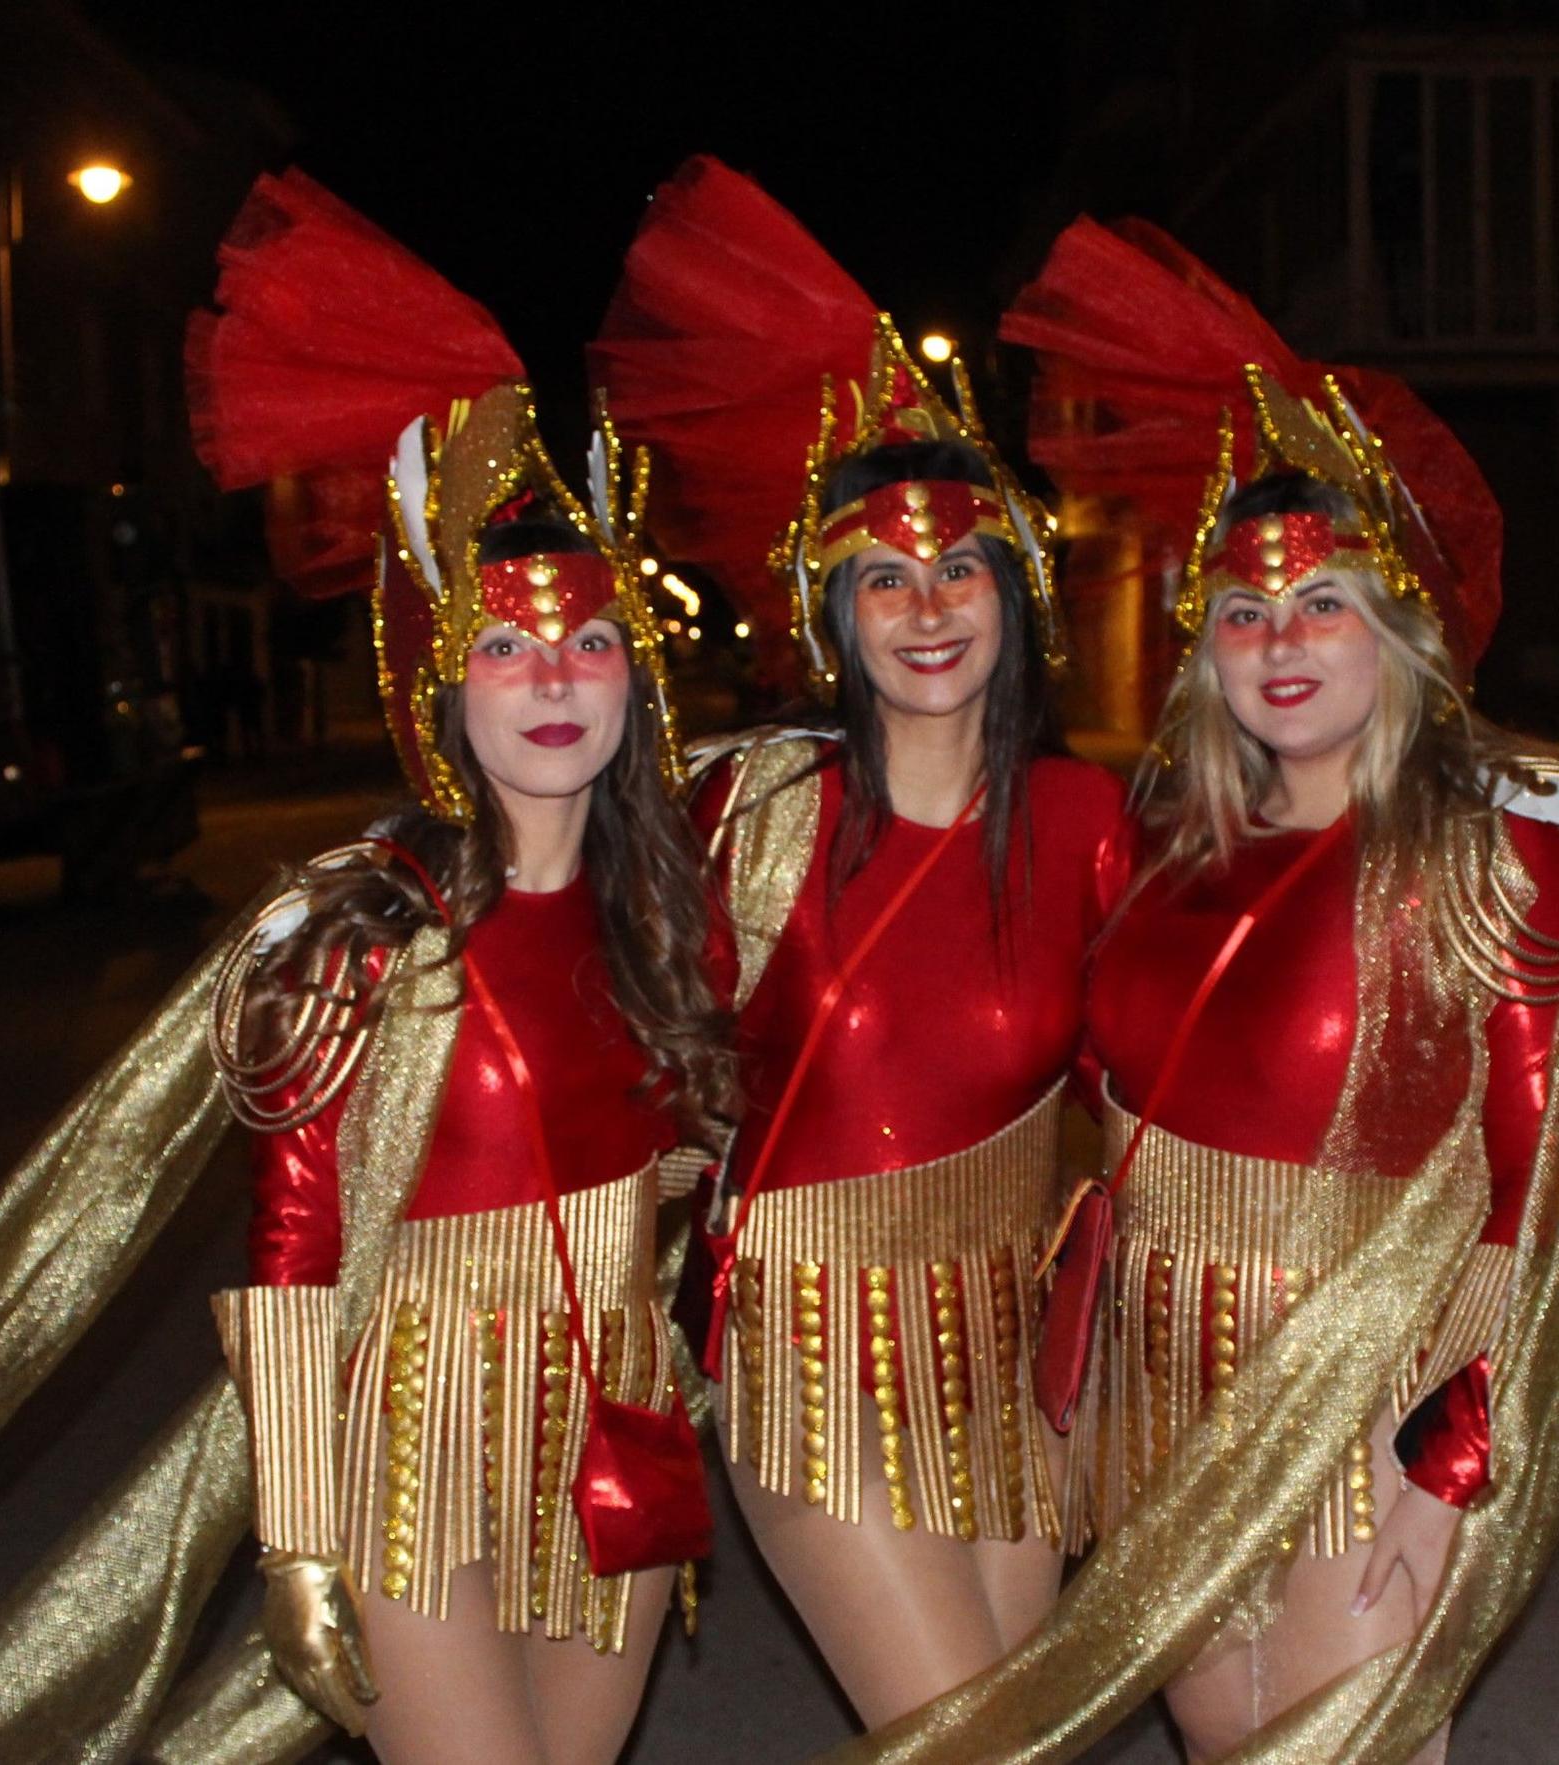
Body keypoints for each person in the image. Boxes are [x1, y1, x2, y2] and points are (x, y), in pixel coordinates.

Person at [0, 171, 728, 1765]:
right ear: (440, 679)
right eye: (505, 643)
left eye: (587, 642)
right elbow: (292, 1258)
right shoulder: (361, 923)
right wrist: (295, 1535)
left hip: (616, 1423)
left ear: (636, 669)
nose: (553, 678)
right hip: (413, 1435)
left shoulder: (671, 916)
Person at [825, 219, 1559, 1765]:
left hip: (1357, 1398)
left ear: (1398, 631)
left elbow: (1536, 1201)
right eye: (1248, 611)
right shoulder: (1157, 845)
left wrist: (1447, 1460)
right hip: (1156, 1398)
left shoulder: (1498, 856)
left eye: (1324, 602)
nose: (1280, 641)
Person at [592, 157, 1133, 1730]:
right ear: (835, 616)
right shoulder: (750, 811)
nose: (926, 605)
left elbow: (1180, 1049)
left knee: (1012, 1730)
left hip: (1017, 1341)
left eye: (959, 567)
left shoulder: (1095, 816)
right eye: (882, 577)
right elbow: (609, 1012)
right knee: (967, 1730)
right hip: (811, 1342)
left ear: (1012, 595)